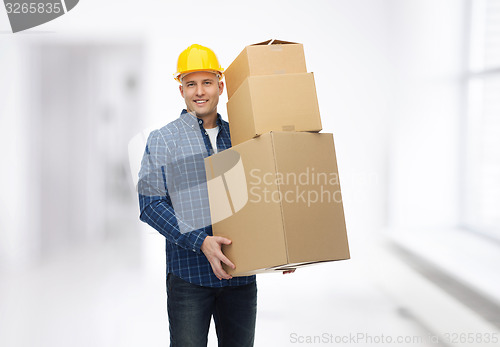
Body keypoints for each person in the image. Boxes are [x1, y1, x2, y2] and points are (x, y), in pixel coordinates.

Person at [137, 44, 257, 347]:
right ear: (181, 90)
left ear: (221, 85)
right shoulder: (163, 139)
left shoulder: (242, 137)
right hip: (189, 280)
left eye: (206, 82)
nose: (199, 91)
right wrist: (199, 241)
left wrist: (282, 250)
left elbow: (263, 197)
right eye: (191, 83)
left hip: (240, 277)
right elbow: (150, 205)